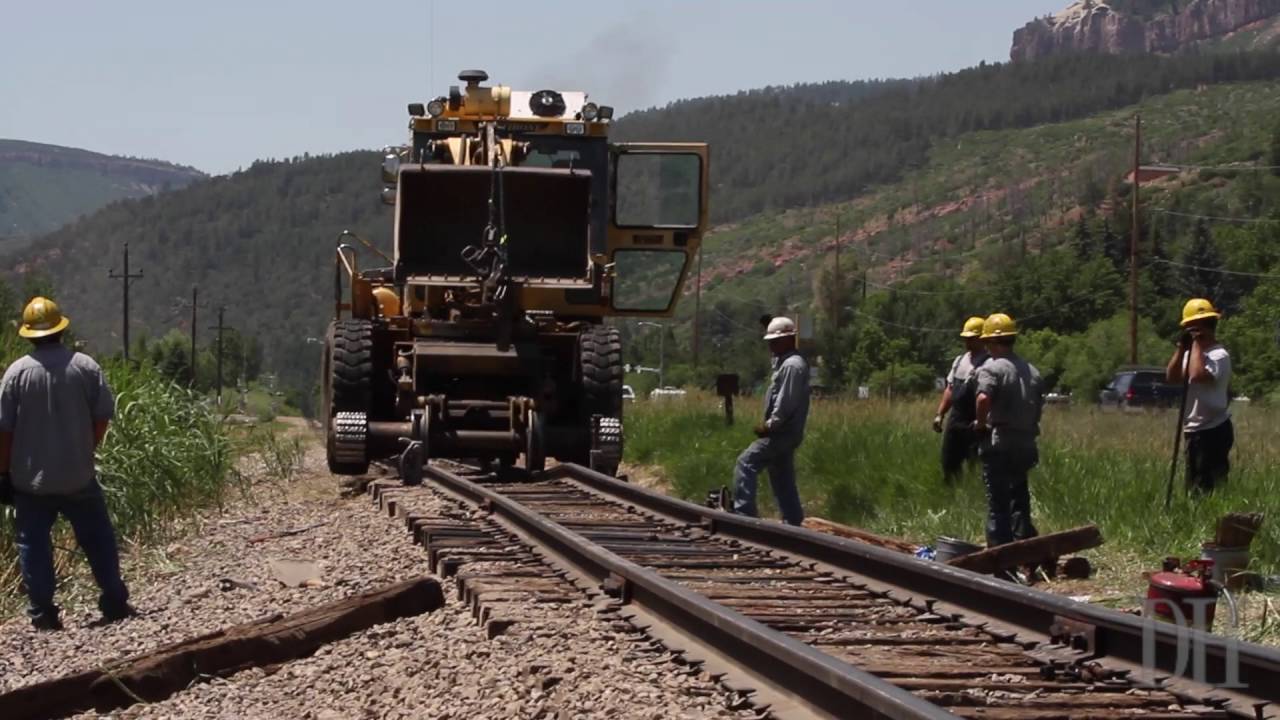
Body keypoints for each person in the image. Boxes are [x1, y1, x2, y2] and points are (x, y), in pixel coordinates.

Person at [0, 297, 131, 630]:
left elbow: (4, 432)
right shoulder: (85, 366)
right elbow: (102, 417)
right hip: (78, 476)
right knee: (98, 538)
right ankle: (114, 601)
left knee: (33, 544)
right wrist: (87, 448)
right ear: (61, 328)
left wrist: (3, 473)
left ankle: (44, 613)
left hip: (32, 482)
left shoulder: (16, 374)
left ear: (28, 334)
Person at [972, 313, 1044, 549]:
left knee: (998, 502)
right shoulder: (1031, 370)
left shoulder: (992, 368)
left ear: (992, 342)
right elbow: (1038, 407)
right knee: (1019, 498)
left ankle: (1000, 553)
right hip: (1026, 442)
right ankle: (1024, 547)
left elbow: (982, 399)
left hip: (1000, 440)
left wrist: (980, 426)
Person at [731, 317, 810, 526]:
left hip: (782, 432)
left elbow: (786, 401)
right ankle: (793, 521)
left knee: (745, 462)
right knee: (781, 474)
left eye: (775, 341)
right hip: (786, 432)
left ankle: (744, 516)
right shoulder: (787, 363)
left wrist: (770, 425)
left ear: (789, 339)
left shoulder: (792, 366)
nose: (771, 345)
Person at [1165, 298, 1232, 495]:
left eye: (1193, 329)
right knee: (1194, 485)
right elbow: (1172, 376)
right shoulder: (1192, 354)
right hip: (1194, 430)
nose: (1191, 334)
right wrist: (1181, 348)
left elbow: (1196, 376)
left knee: (1208, 486)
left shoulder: (1219, 355)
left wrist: (1195, 345)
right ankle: (1196, 520)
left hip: (1213, 429)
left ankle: (1218, 521)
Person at [933, 317, 989, 483]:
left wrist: (981, 422)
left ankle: (973, 497)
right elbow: (950, 389)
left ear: (982, 338)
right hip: (956, 419)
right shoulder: (959, 361)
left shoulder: (988, 363)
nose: (967, 342)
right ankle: (951, 495)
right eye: (966, 338)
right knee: (949, 462)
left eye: (971, 338)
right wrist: (940, 414)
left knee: (975, 465)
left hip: (975, 422)